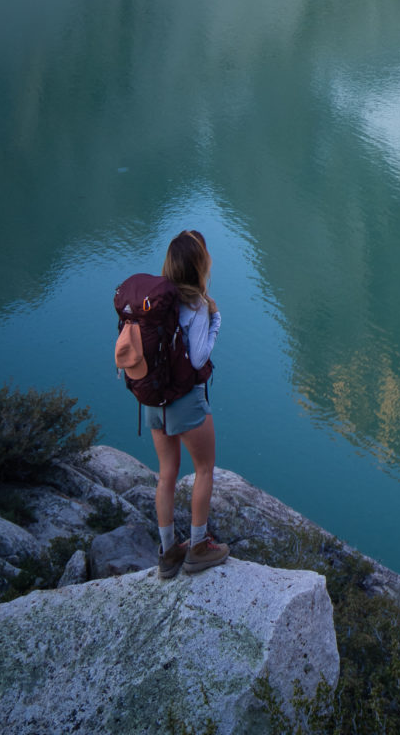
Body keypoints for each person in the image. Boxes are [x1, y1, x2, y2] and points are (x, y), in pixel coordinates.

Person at [148, 229, 228, 578]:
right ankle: (197, 547)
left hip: (153, 400)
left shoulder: (157, 304)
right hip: (185, 401)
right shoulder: (196, 307)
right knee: (205, 469)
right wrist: (215, 324)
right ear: (198, 266)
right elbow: (197, 359)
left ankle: (168, 553)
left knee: (166, 473)